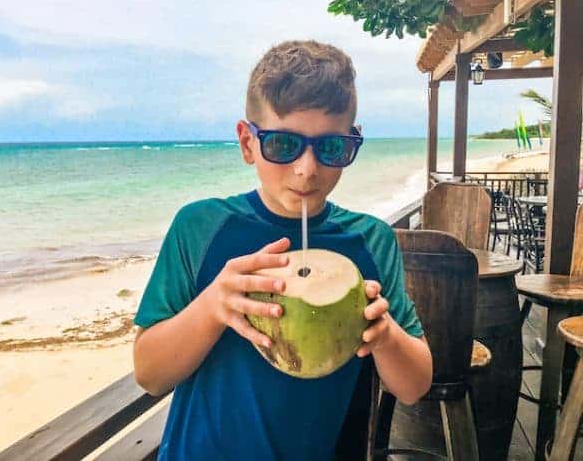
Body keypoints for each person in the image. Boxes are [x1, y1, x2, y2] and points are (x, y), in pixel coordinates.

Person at [133, 40, 432, 460]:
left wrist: (385, 337)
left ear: (352, 142)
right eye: (282, 145)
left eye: (331, 148)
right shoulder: (199, 228)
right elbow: (149, 374)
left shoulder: (371, 240)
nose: (307, 169)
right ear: (247, 142)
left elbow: (415, 385)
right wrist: (213, 306)